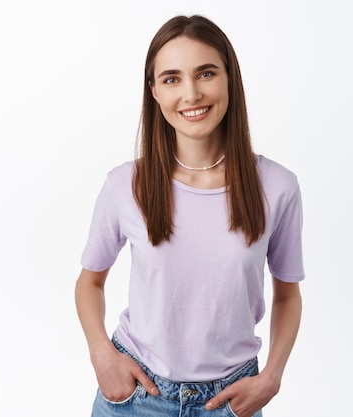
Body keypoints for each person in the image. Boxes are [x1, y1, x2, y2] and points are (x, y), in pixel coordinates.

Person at [75, 14, 304, 417]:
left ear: (229, 78)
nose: (192, 93)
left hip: (232, 401)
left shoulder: (277, 187)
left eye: (206, 73)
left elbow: (287, 295)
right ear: (155, 92)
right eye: (172, 79)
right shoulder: (125, 185)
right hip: (135, 398)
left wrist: (272, 377)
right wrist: (101, 354)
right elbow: (89, 283)